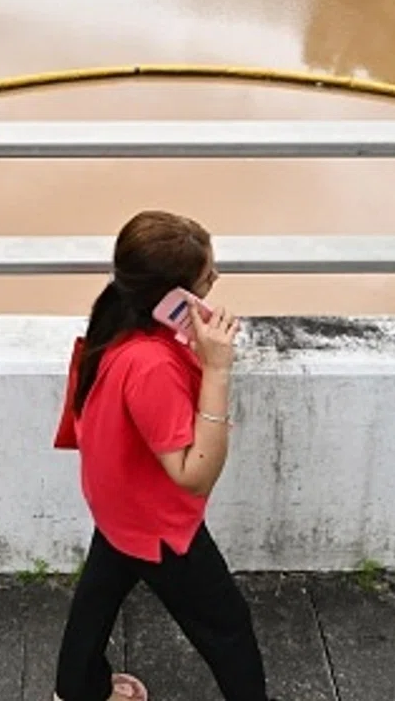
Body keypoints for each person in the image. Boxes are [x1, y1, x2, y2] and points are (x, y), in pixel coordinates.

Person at [53, 210, 270, 701]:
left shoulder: (117, 319)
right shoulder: (151, 365)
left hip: (116, 503)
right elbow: (193, 474)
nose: (216, 279)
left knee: (98, 598)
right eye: (207, 275)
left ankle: (77, 689)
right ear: (175, 297)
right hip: (159, 527)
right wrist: (216, 370)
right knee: (227, 625)